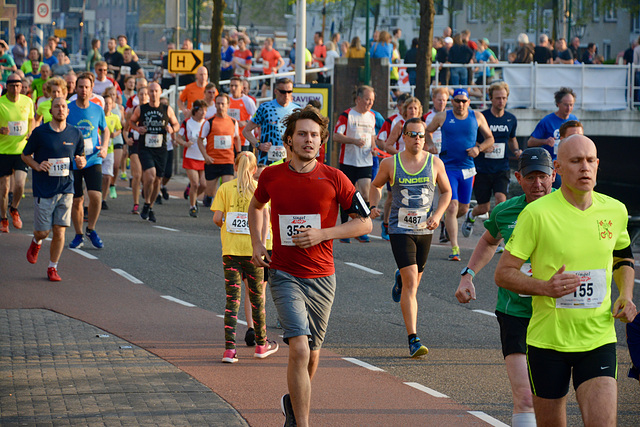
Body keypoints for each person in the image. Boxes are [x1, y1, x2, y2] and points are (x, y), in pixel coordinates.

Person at [495, 134, 637, 426]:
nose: (584, 167)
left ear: (597, 165)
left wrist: (625, 293)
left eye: (589, 161)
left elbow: (622, 258)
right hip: (548, 343)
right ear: (558, 168)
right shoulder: (536, 214)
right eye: (575, 161)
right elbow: (504, 273)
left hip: (598, 338)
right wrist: (544, 288)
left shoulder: (615, 210)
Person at [248, 106, 372, 427]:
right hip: (284, 273)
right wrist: (258, 243)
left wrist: (324, 234)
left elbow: (364, 224)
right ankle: (302, 423)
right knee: (299, 349)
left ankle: (293, 402)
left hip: (322, 277)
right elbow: (256, 205)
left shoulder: (335, 178)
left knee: (312, 354)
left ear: (321, 143)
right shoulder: (272, 175)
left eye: (314, 135)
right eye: (302, 134)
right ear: (289, 140)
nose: (308, 140)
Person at [456, 147, 555, 427]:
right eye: (531, 177)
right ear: (517, 178)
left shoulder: (566, 209)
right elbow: (489, 241)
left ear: (554, 176)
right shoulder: (505, 211)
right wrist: (468, 274)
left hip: (556, 313)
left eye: (543, 177)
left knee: (549, 397)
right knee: (524, 397)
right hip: (515, 312)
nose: (538, 184)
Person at [370, 117, 451, 357]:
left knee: (413, 283)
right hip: (400, 229)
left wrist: (438, 214)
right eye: (412, 134)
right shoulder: (391, 163)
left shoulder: (435, 163)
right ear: (403, 136)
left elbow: (446, 192)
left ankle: (400, 278)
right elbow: (376, 186)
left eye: (421, 135)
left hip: (426, 230)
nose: (417, 139)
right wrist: (374, 205)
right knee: (412, 283)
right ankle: (413, 338)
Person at [212, 151, 279, 362]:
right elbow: (266, 215)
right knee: (257, 299)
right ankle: (261, 345)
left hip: (231, 252)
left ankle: (229, 350)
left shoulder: (225, 188)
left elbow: (217, 218)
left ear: (234, 167)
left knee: (232, 301)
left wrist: (229, 227)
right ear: (254, 169)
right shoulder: (258, 189)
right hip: (255, 252)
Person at [424, 88, 494, 261]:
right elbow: (427, 131)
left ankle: (447, 223)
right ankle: (455, 247)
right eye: (457, 100)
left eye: (464, 101)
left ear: (469, 102)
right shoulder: (442, 117)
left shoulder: (477, 117)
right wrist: (430, 144)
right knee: (452, 206)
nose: (460, 104)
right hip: (447, 168)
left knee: (462, 208)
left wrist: (479, 148)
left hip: (468, 168)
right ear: (452, 101)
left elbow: (490, 139)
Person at [21, 97, 86, 281]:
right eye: (56, 106)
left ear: (68, 111)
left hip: (66, 188)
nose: (60, 109)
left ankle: (52, 267)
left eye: (63, 106)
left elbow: (80, 157)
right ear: (51, 111)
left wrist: (82, 162)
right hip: (44, 188)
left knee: (60, 230)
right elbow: (25, 155)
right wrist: (36, 165)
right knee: (43, 231)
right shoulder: (40, 132)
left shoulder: (75, 133)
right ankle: (36, 241)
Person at [461, 81, 521, 238]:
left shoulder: (511, 119)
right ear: (491, 99)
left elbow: (512, 139)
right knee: (484, 207)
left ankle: (497, 238)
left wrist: (516, 150)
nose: (501, 101)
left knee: (501, 203)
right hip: (483, 167)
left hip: (502, 167)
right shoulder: (482, 117)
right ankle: (471, 216)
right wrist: (481, 146)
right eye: (497, 98)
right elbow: (469, 140)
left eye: (504, 98)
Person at [67, 72, 110, 249]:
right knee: (77, 200)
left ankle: (91, 229)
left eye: (87, 87)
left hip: (93, 159)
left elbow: (105, 130)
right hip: (74, 160)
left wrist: (105, 146)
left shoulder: (97, 109)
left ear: (92, 89)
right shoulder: (69, 109)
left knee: (96, 196)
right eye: (81, 87)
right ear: (76, 89)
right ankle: (78, 234)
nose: (83, 90)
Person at [128, 82, 179, 222]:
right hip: (145, 148)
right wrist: (137, 129)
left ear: (160, 92)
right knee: (150, 175)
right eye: (151, 91)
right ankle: (146, 202)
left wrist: (172, 129)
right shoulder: (141, 108)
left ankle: (148, 206)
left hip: (161, 148)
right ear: (148, 93)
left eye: (156, 91)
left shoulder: (167, 109)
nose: (153, 94)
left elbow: (176, 124)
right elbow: (131, 122)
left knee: (157, 180)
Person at [333, 85, 377, 243]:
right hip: (348, 161)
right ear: (358, 99)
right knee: (346, 195)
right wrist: (353, 141)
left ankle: (362, 227)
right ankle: (345, 228)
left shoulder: (372, 116)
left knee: (365, 193)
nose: (369, 103)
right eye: (367, 99)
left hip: (365, 161)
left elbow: (372, 136)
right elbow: (336, 136)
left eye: (372, 100)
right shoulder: (347, 115)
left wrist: (373, 148)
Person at [0, 74, 35, 233]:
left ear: (22, 87)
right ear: (7, 86)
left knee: (20, 183)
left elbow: (31, 119)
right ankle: (4, 218)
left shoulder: (27, 101)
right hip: (3, 150)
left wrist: (31, 131)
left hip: (21, 150)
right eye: (12, 85)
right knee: (4, 189)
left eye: (18, 86)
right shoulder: (1, 103)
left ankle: (14, 208)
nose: (15, 89)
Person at [527, 86, 577, 188]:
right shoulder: (547, 121)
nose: (569, 108)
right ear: (558, 104)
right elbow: (530, 142)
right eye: (566, 105)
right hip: (551, 163)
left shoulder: (574, 120)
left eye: (571, 105)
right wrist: (545, 141)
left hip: (569, 161)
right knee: (558, 182)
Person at [243, 78, 299, 166]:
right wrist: (258, 145)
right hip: (267, 160)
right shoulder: (265, 108)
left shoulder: (297, 110)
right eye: (283, 92)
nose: (286, 95)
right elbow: (246, 131)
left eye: (289, 91)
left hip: (290, 160)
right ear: (276, 91)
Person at [197, 93, 240, 208]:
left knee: (227, 190)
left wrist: (239, 155)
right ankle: (208, 197)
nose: (220, 106)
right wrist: (205, 156)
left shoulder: (233, 122)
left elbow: (237, 138)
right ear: (215, 105)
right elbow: (200, 140)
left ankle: (223, 213)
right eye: (218, 103)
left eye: (223, 104)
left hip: (228, 161)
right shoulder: (209, 122)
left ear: (228, 105)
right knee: (210, 191)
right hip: (212, 161)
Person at [176, 99, 207, 217]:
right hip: (190, 156)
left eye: (205, 111)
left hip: (203, 157)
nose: (203, 113)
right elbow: (178, 138)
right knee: (195, 183)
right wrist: (184, 143)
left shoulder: (206, 123)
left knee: (203, 185)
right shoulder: (187, 122)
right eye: (201, 110)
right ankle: (193, 206)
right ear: (195, 111)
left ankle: (192, 197)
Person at [100, 93, 122, 210]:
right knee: (98, 175)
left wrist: (115, 134)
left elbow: (119, 129)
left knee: (108, 176)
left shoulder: (115, 117)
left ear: (112, 105)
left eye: (109, 103)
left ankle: (103, 199)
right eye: (105, 103)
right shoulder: (98, 116)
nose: (107, 106)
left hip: (109, 149)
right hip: (97, 150)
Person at [228, 76, 257, 152]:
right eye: (231, 86)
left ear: (241, 88)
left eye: (236, 86)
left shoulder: (247, 101)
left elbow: (257, 117)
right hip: (229, 138)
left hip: (243, 139)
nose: (233, 88)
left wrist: (246, 122)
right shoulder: (227, 99)